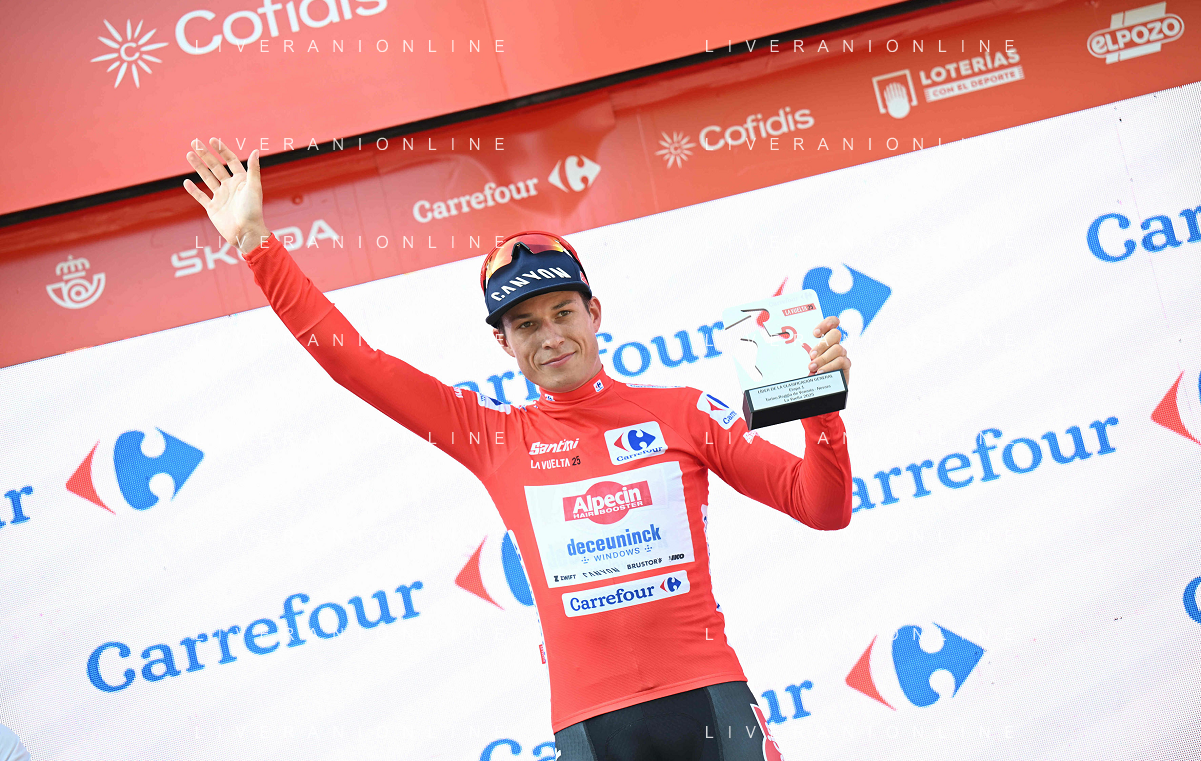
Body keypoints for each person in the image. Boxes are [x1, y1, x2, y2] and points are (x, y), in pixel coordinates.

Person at [184, 138, 854, 761]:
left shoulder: (683, 412)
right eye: (526, 324)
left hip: (710, 700)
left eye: (563, 312)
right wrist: (256, 244)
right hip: (592, 724)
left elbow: (822, 509)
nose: (550, 336)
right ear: (503, 343)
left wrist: (821, 413)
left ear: (594, 313)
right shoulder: (492, 436)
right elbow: (355, 363)